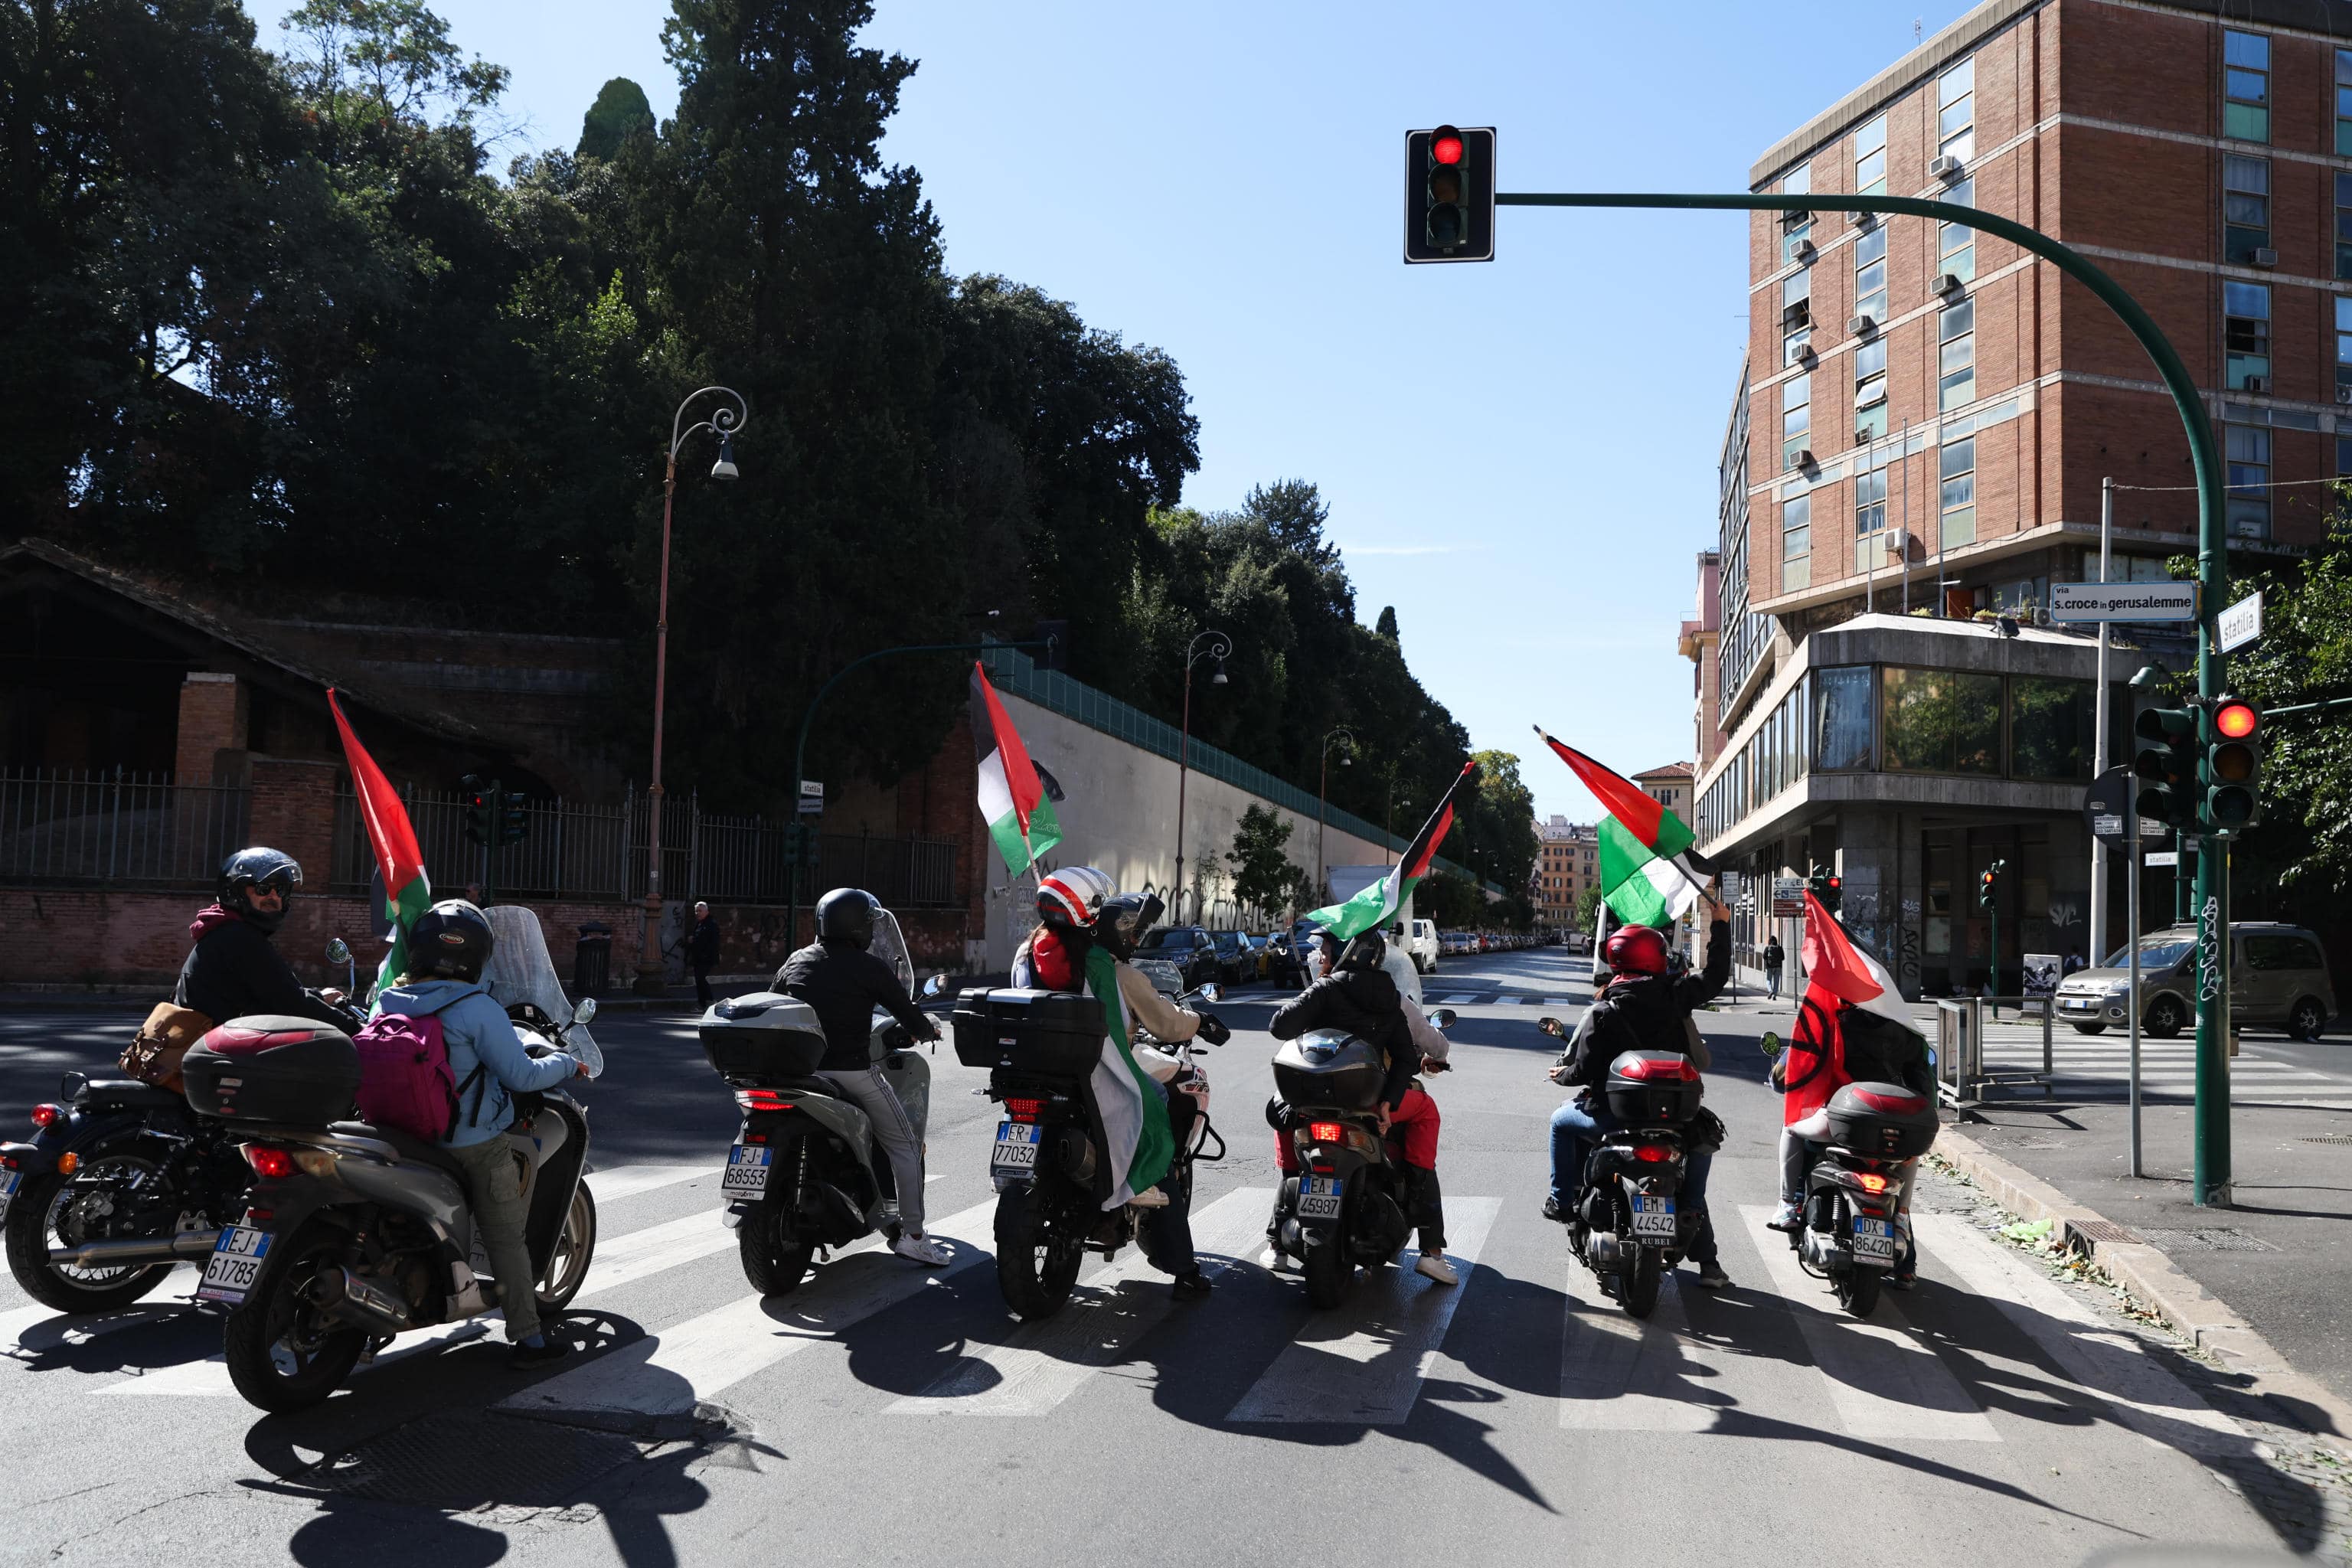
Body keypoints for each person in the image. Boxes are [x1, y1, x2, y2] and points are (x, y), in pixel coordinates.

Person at [372, 900, 586, 1366]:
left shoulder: (386, 998)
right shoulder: (476, 1006)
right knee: (507, 1237)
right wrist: (568, 1062)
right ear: (476, 956)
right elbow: (523, 1077)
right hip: (467, 1143)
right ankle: (529, 1338)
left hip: (394, 1135)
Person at [1544, 891, 1733, 1289]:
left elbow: (1583, 1069)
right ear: (1658, 956)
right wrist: (1721, 924)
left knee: (1561, 1122)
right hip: (1675, 1119)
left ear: (1615, 959)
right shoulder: (1676, 996)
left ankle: (1561, 1202)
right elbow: (1716, 975)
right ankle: (1705, 1249)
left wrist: (1561, 1075)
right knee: (1694, 1155)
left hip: (1614, 1120)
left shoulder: (1602, 1011)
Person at [1267, 929, 1456, 1285]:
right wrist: (1388, 1103)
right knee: (1426, 1112)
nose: (1319, 957)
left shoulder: (1324, 989)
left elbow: (1279, 1025)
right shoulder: (1391, 995)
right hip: (1371, 1105)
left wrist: (1311, 998)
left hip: (1317, 1100)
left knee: (1286, 1111)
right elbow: (1408, 1054)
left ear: (1342, 952)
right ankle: (1431, 1246)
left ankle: (1277, 1236)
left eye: (1324, 950)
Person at [775, 887, 948, 1267]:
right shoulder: (869, 967)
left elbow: (773, 1003)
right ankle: (915, 1237)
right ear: (858, 927)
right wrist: (927, 1030)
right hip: (851, 1071)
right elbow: (907, 1012)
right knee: (905, 1145)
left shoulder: (797, 960)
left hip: (796, 1073)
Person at [1080, 887, 1229, 1298]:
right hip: (1102, 1069)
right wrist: (1200, 1021)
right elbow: (1166, 1023)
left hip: (1056, 1071)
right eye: (1133, 934)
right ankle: (1181, 1265)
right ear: (1119, 932)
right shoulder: (1120, 974)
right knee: (1157, 1113)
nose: (1136, 941)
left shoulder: (1058, 962)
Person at [178, 848, 354, 1029]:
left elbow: (272, 992)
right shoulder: (239, 938)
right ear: (236, 892)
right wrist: (358, 1031)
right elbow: (292, 1004)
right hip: (223, 1050)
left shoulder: (224, 931)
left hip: (216, 1042)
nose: (274, 896)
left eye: (281, 890)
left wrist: (318, 997)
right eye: (263, 889)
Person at [688, 901, 721, 1007]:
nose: (698, 913)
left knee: (701, 978)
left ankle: (710, 1000)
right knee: (698, 980)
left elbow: (712, 941)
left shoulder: (711, 924)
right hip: (699, 957)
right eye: (696, 911)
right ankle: (702, 1003)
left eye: (700, 911)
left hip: (707, 957)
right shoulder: (700, 923)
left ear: (706, 911)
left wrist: (695, 940)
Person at [1762, 935, 1786, 1001]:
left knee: (1768, 980)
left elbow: (1764, 957)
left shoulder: (1768, 948)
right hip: (1778, 967)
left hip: (1770, 967)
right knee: (1776, 982)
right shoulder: (1780, 948)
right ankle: (1774, 996)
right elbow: (1783, 958)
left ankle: (1770, 990)